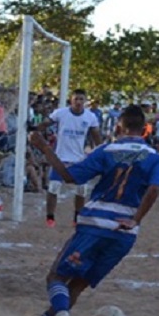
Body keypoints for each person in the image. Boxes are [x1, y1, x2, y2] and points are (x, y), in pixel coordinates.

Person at [29, 105, 159, 316]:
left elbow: (70, 176)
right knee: (78, 284)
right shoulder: (156, 158)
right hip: (124, 235)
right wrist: (136, 219)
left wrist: (44, 148)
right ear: (144, 129)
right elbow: (154, 189)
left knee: (56, 277)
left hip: (95, 224)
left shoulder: (107, 150)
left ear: (119, 127)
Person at [39, 89, 102, 228]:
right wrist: (34, 128)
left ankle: (77, 216)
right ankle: (50, 216)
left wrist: (101, 150)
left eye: (81, 99)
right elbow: (46, 123)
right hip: (60, 157)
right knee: (54, 187)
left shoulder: (90, 117)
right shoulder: (61, 113)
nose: (78, 102)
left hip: (79, 159)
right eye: (76, 99)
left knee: (81, 190)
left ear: (85, 101)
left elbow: (96, 136)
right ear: (71, 100)